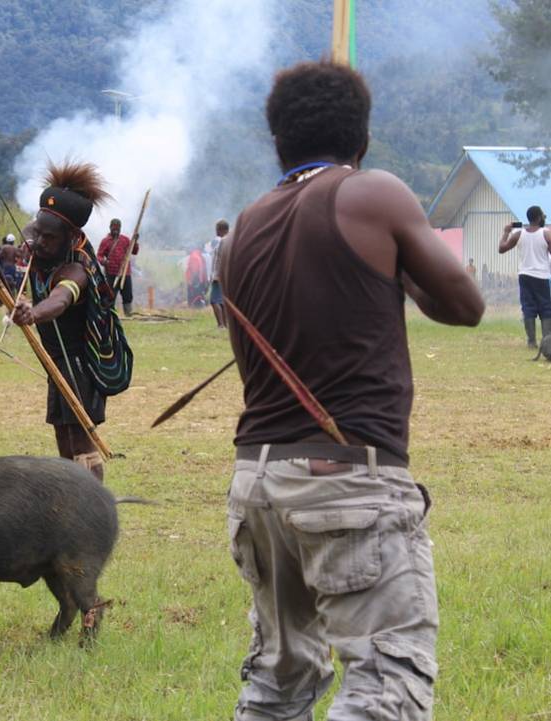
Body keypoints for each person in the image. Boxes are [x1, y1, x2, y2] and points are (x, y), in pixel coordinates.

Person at [219, 60, 483, 721]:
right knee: (384, 686)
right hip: (345, 477)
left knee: (277, 684)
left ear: (276, 138)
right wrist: (399, 273)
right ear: (360, 138)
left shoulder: (243, 227)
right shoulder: (372, 194)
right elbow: (464, 303)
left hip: (257, 480)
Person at [11, 162, 133, 482]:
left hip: (79, 365)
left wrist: (32, 313)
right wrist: (32, 236)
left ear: (72, 236)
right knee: (63, 438)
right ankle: (70, 508)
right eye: (38, 233)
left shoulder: (77, 269)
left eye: (48, 237)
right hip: (58, 363)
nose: (39, 242)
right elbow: (32, 232)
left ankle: (91, 510)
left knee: (81, 444)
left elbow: (60, 300)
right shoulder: (45, 250)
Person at [499, 206, 551, 348]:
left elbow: (501, 248)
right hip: (541, 276)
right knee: (546, 308)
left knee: (528, 307)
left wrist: (505, 232)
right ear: (540, 218)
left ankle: (531, 342)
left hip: (525, 276)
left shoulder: (518, 234)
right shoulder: (546, 234)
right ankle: (547, 342)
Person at [96, 218, 139, 316]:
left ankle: (128, 314)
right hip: (111, 273)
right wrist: (103, 261)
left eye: (117, 228)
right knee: (110, 296)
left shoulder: (125, 240)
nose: (116, 230)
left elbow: (134, 251)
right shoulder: (105, 241)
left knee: (127, 295)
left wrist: (135, 241)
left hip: (125, 273)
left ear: (120, 228)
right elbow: (99, 255)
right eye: (114, 227)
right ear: (110, 228)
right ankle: (110, 316)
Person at [209, 219, 229, 328]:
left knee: (214, 300)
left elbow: (220, 260)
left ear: (221, 229)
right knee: (222, 300)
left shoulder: (223, 241)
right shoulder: (230, 239)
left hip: (219, 275)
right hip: (225, 275)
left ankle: (221, 325)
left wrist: (216, 275)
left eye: (217, 229)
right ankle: (225, 324)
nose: (216, 231)